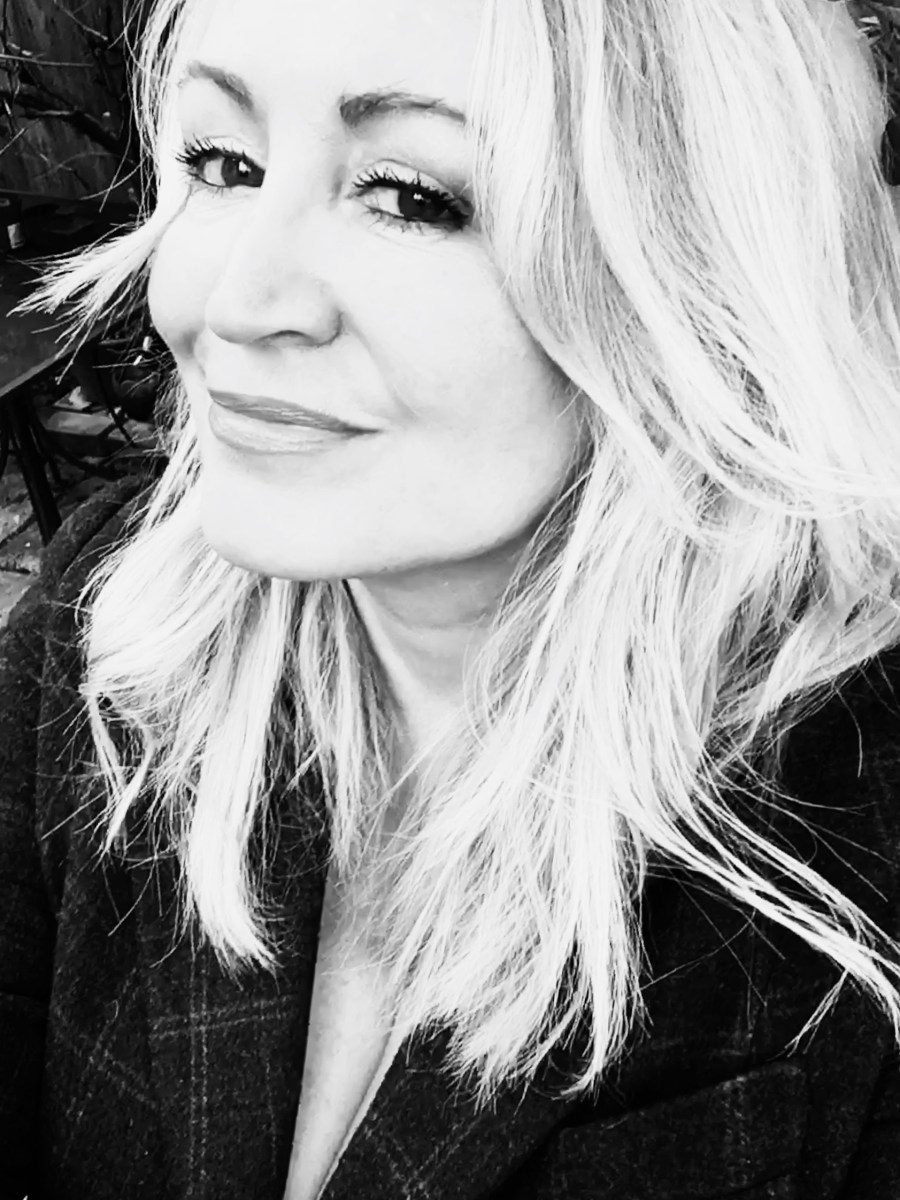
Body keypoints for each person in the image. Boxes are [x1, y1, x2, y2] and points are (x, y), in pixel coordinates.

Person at [3, 0, 900, 1195]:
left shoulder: (858, 827)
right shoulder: (105, 626)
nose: (235, 302)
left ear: (701, 271)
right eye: (225, 165)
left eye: (411, 196)